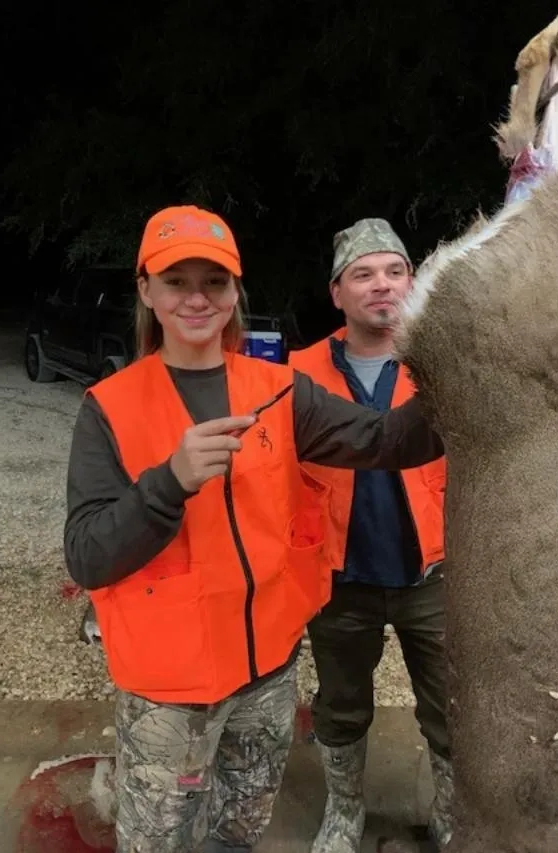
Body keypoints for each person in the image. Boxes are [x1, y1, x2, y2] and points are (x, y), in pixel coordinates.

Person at [63, 205, 444, 853]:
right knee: (160, 842)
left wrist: (461, 370)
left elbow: (383, 441)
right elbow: (89, 557)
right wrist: (169, 481)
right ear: (147, 291)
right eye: (175, 279)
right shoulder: (112, 407)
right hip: (168, 691)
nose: (196, 296)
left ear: (235, 291)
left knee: (238, 832)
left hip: (265, 678)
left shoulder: (277, 390)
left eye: (213, 280)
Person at [289, 218, 453, 853]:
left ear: (413, 281)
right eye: (362, 274)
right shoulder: (297, 373)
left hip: (432, 576)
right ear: (337, 293)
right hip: (337, 581)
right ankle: (343, 811)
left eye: (394, 271)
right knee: (341, 705)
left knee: (447, 707)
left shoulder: (444, 365)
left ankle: (450, 808)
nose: (381, 285)